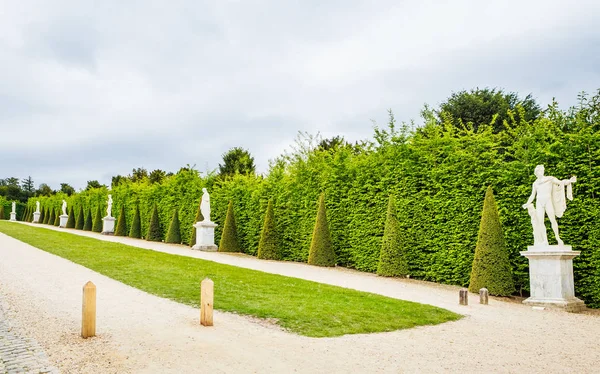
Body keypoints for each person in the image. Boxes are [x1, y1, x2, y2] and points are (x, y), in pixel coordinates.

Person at [522, 165, 576, 246]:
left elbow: (560, 182)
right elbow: (532, 195)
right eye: (539, 171)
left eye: (542, 170)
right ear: (536, 173)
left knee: (552, 220)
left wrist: (569, 181)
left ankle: (558, 238)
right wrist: (527, 203)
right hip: (539, 202)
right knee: (540, 222)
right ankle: (545, 241)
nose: (541, 172)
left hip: (548, 201)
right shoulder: (535, 183)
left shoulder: (550, 179)